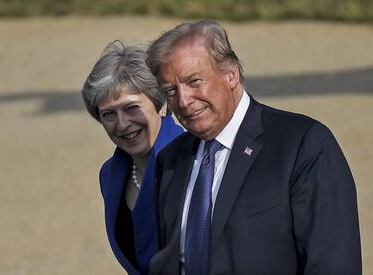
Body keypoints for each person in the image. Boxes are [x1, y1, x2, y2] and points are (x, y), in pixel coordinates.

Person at [146, 20, 362, 275]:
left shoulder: (303, 144)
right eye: (171, 90)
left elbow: (333, 264)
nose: (183, 100)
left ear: (231, 75)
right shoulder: (171, 160)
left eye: (194, 81)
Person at [81, 41, 183, 275]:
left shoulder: (193, 160)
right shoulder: (110, 174)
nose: (123, 124)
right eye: (108, 114)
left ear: (162, 104)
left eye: (131, 108)